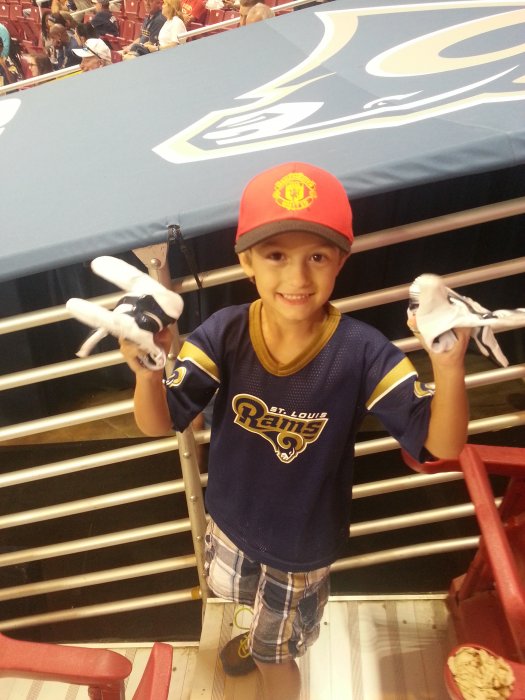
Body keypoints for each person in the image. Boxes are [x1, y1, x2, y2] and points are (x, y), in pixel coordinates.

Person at [119, 162, 469, 700]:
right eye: (276, 255)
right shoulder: (225, 332)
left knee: (275, 655)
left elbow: (440, 445)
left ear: (341, 260)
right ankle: (259, 634)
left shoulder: (362, 351)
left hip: (302, 546)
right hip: (231, 522)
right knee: (240, 598)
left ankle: (267, 651)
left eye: (317, 257)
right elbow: (159, 421)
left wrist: (447, 365)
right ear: (246, 261)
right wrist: (147, 371)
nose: (298, 278)